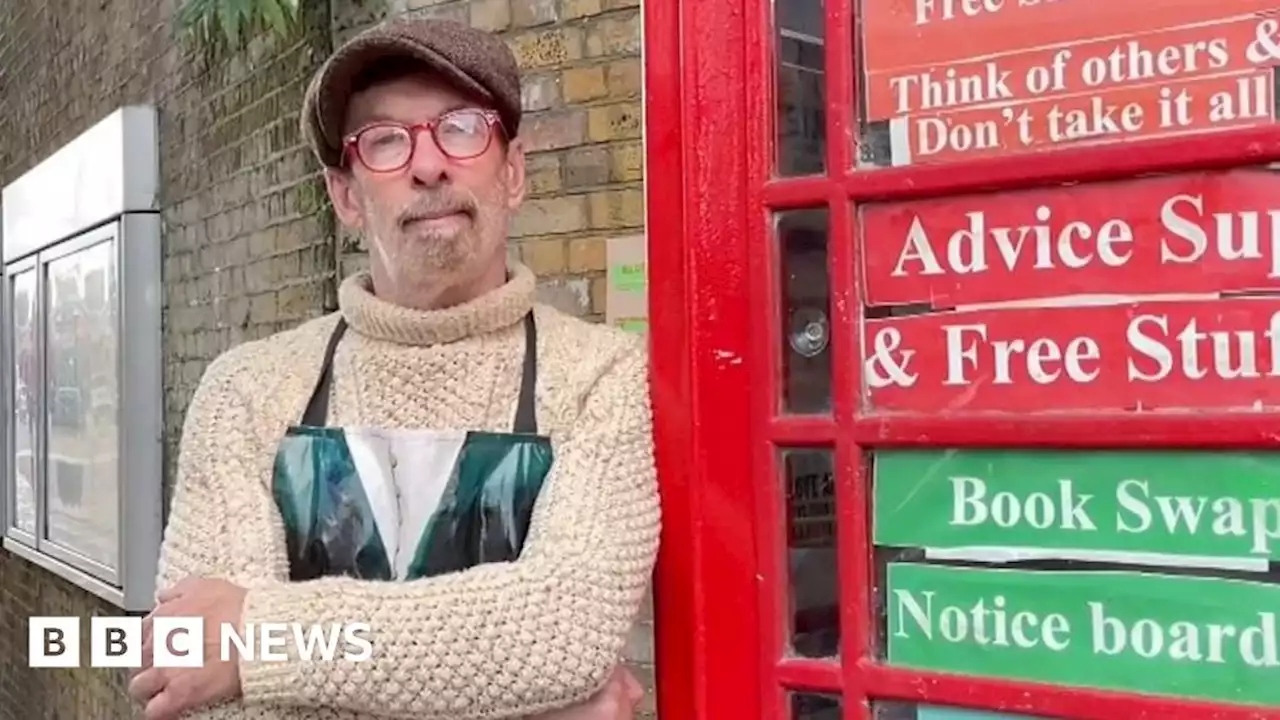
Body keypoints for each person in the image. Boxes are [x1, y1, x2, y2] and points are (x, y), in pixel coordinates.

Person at [126, 15, 660, 720]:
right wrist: (530, 698)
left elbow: (564, 626)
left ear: (514, 172)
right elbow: (204, 687)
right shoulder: (246, 391)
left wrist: (256, 641)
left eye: (461, 128)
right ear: (346, 197)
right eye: (385, 142)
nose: (429, 164)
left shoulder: (601, 376)